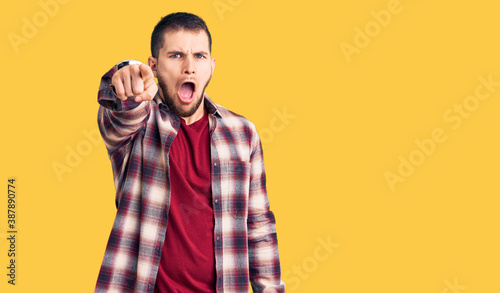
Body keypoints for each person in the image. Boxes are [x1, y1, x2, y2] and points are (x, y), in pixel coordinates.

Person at [95, 12, 285, 293]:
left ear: (212, 65)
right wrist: (127, 73)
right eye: (175, 56)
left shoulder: (243, 134)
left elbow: (258, 226)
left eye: (199, 56)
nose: (189, 68)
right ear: (154, 66)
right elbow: (119, 109)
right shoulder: (139, 125)